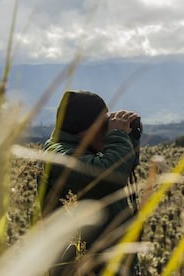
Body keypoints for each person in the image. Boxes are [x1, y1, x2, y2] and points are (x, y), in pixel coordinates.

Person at [38, 90, 142, 275]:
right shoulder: (59, 155)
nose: (106, 130)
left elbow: (124, 167)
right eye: (103, 124)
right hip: (82, 264)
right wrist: (117, 134)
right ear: (85, 129)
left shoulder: (83, 148)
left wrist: (129, 137)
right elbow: (110, 175)